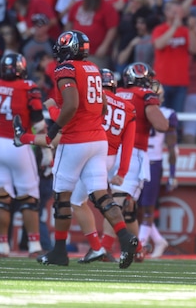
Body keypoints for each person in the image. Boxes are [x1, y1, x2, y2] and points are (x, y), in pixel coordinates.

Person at [34, 30, 138, 269]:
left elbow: (70, 106)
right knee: (101, 195)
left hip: (76, 140)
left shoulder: (65, 70)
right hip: (98, 140)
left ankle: (59, 252)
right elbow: (102, 107)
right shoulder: (92, 68)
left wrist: (52, 130)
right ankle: (125, 237)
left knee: (62, 197)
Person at [68, 68, 137, 264]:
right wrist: (122, 171)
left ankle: (100, 247)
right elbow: (128, 143)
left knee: (78, 201)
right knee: (98, 199)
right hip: (110, 157)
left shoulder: (91, 99)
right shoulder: (127, 107)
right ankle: (108, 245)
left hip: (89, 150)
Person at [0, 53, 48, 258]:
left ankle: (2, 246)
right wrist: (48, 151)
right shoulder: (28, 87)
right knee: (29, 197)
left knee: (1, 197)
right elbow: (39, 123)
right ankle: (34, 246)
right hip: (18, 143)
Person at [107, 62, 170, 259]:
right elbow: (162, 125)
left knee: (127, 206)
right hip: (133, 152)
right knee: (118, 202)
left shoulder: (116, 93)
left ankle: (137, 248)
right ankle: (104, 247)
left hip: (111, 149)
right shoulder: (145, 96)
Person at [141, 80, 178, 259]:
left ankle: (140, 245)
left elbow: (172, 147)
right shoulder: (139, 109)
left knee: (147, 208)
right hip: (137, 160)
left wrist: (172, 173)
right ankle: (158, 240)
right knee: (133, 208)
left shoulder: (167, 114)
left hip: (153, 162)